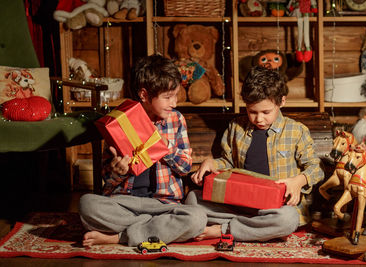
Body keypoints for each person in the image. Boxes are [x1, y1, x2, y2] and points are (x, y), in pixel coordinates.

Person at [79, 54, 207, 247]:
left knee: (197, 217)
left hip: (163, 205)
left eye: (176, 95)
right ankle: (154, 229)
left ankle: (119, 237)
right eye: (168, 97)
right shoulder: (120, 121)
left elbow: (185, 167)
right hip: (124, 203)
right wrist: (118, 172)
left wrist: (166, 146)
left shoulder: (175, 119)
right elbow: (107, 176)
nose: (174, 103)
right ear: (145, 95)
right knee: (87, 205)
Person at [187, 66, 324, 241]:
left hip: (276, 207)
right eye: (252, 112)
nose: (259, 119)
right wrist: (212, 163)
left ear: (281, 102)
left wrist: (299, 181)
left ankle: (225, 229)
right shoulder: (236, 127)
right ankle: (251, 226)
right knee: (192, 199)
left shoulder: (296, 131)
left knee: (288, 219)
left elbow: (316, 168)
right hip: (240, 202)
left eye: (266, 112)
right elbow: (229, 163)